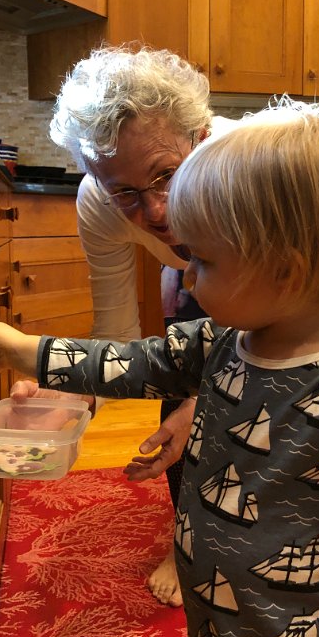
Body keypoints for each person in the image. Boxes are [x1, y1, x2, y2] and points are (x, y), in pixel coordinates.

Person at [0, 100, 319, 637]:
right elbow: (130, 362)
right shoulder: (219, 342)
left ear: (285, 272)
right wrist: (29, 352)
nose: (187, 276)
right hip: (215, 635)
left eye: (202, 260)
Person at [46, 45, 233, 607]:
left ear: (201, 139)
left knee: (250, 405)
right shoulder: (97, 203)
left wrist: (210, 402)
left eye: (166, 176)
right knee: (180, 387)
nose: (153, 212)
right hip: (202, 279)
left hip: (286, 282)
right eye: (124, 191)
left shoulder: (247, 166)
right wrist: (72, 392)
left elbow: (290, 316)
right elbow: (118, 334)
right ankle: (189, 535)